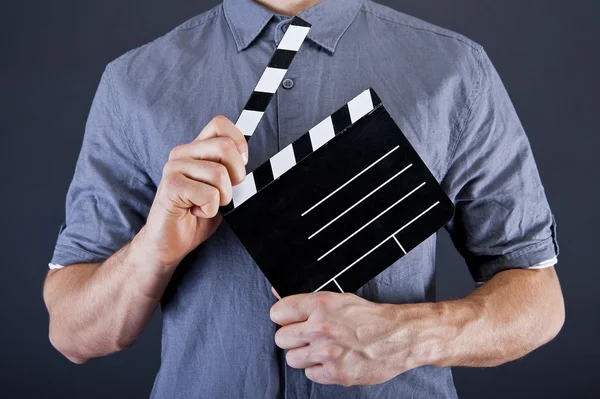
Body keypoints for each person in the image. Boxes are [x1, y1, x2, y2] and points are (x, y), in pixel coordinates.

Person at [43, 0, 564, 397]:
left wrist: (408, 336)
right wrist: (152, 250)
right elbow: (72, 332)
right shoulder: (135, 83)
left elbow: (540, 301)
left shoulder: (453, 69)